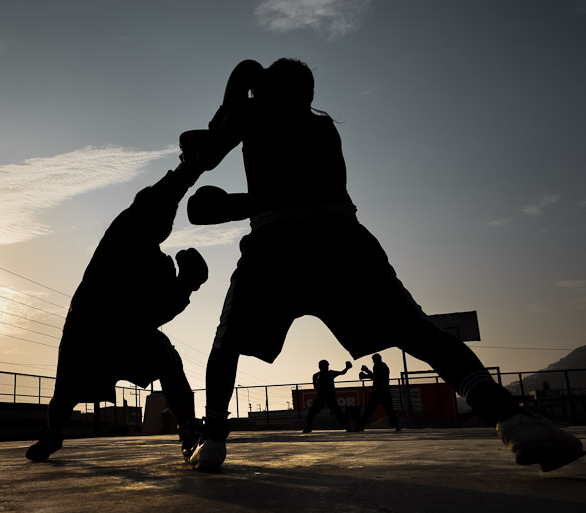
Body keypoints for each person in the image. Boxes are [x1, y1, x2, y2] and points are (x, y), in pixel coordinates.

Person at [181, 58, 584, 472]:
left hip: (276, 245)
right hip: (342, 240)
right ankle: (512, 419)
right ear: (307, 94)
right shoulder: (321, 127)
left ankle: (212, 439)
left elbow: (207, 155)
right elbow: (290, 192)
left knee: (227, 343)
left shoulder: (252, 116)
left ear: (268, 91)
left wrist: (235, 95)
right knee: (421, 334)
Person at [26, 161, 207, 462]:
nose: (165, 221)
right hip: (88, 326)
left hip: (127, 330)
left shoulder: (161, 266)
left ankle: (188, 430)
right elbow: (159, 197)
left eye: (168, 219)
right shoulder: (125, 229)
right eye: (162, 213)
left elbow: (156, 315)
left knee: (167, 360)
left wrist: (185, 286)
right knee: (66, 391)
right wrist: (188, 169)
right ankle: (53, 434)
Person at [303, 360, 353, 433]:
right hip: (322, 397)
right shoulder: (319, 375)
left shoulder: (324, 374)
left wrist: (347, 368)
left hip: (328, 397)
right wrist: (347, 368)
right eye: (325, 366)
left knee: (338, 413)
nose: (326, 367)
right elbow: (315, 387)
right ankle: (308, 428)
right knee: (312, 413)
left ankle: (348, 427)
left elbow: (342, 372)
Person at [354, 354, 400, 432]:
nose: (373, 361)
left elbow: (376, 377)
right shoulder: (383, 366)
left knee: (369, 410)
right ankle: (396, 425)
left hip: (378, 391)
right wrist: (366, 374)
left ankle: (360, 426)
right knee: (389, 409)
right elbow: (376, 377)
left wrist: (366, 372)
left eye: (373, 359)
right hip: (385, 391)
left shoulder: (378, 366)